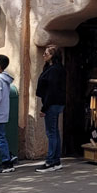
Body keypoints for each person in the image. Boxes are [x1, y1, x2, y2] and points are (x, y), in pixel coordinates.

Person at [35, 44, 65, 172]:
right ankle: (56, 160)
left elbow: (51, 90)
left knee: (51, 132)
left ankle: (51, 161)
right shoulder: (57, 68)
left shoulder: (53, 70)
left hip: (52, 104)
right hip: (57, 103)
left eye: (46, 54)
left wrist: (44, 107)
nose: (43, 55)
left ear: (53, 56)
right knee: (55, 132)